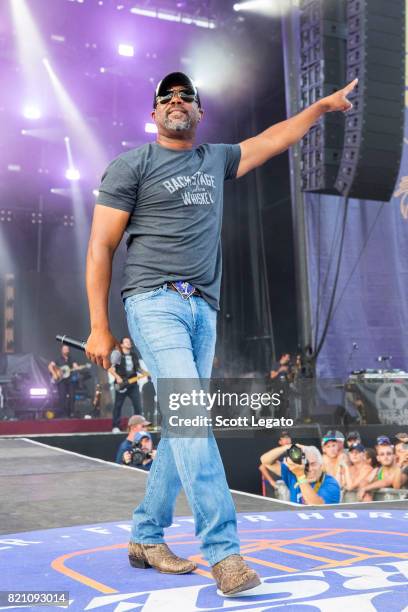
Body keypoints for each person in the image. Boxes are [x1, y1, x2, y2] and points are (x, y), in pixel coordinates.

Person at [85, 70, 357, 595]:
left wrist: (320, 108)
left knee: (182, 422)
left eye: (187, 96)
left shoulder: (216, 159)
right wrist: (99, 325)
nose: (178, 101)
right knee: (189, 414)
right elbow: (101, 246)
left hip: (202, 310)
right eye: (167, 97)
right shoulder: (131, 165)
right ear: (155, 113)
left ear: (199, 113)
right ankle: (224, 552)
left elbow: (273, 139)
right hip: (153, 301)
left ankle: (145, 533)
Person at [260, 443, 341, 504]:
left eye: (313, 464)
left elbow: (317, 506)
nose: (309, 469)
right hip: (297, 525)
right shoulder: (294, 474)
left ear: (321, 465)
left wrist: (300, 476)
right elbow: (265, 461)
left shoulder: (330, 483)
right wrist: (287, 447)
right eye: (306, 464)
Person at [109, 337, 146, 433]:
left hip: (133, 384)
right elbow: (111, 369)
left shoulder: (134, 355)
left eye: (129, 342)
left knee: (138, 405)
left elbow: (138, 368)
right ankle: (116, 426)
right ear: (121, 344)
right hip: (121, 384)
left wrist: (145, 372)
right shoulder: (117, 354)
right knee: (118, 405)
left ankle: (139, 426)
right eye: (126, 342)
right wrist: (117, 377)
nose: (129, 343)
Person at [48, 345, 79, 417]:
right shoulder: (58, 359)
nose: (66, 350)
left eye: (67, 349)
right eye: (64, 349)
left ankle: (71, 413)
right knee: (62, 397)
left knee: (72, 396)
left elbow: (75, 366)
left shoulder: (72, 359)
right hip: (61, 381)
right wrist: (54, 374)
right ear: (62, 350)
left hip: (70, 380)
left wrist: (77, 367)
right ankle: (63, 413)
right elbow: (50, 366)